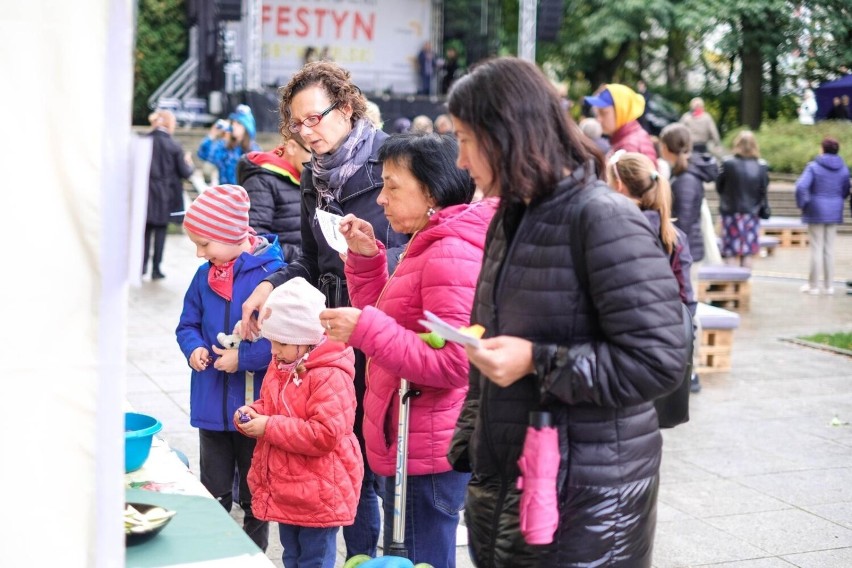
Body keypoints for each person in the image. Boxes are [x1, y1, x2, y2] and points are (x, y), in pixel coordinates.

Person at [447, 57, 686, 567]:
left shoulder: (603, 218)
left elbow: (661, 361)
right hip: (514, 477)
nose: (460, 161)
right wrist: (471, 443)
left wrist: (539, 360)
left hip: (588, 498)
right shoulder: (510, 217)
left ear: (505, 134)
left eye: (465, 140)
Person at [239, 60, 409, 561]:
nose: (306, 131)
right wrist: (269, 285)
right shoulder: (315, 176)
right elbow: (310, 263)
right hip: (328, 335)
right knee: (329, 450)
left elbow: (419, 250)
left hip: (380, 331)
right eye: (297, 123)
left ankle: (363, 556)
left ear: (348, 108)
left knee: (363, 461)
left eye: (315, 118)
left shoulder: (391, 163)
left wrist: (369, 255)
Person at [320, 133, 496, 567]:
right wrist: (365, 261)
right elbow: (393, 322)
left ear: (432, 191)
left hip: (428, 447)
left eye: (393, 186)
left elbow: (455, 362)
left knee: (423, 555)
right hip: (407, 436)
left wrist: (366, 329)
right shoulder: (426, 241)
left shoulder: (448, 252)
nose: (381, 199)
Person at [175, 184, 286, 552]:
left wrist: (245, 359)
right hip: (210, 407)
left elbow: (284, 341)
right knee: (214, 489)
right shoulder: (202, 277)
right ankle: (214, 552)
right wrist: (193, 349)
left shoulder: (270, 275)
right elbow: (187, 324)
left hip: (253, 409)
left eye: (204, 244)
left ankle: (253, 554)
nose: (198, 252)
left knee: (256, 494)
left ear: (230, 235)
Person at [235, 277, 363, 568]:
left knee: (314, 559)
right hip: (289, 485)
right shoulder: (283, 363)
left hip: (320, 489)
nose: (273, 351)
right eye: (271, 342)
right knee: (291, 554)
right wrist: (254, 412)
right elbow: (272, 405)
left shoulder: (329, 374)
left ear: (304, 340)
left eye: (280, 343)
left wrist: (268, 426)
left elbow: (325, 434)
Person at [236, 133, 312, 263]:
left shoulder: (307, 177)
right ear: (292, 147)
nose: (320, 161)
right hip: (280, 274)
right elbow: (256, 240)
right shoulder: (261, 181)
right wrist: (306, 257)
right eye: (314, 153)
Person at [142, 109, 194, 280]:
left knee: (144, 232)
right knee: (160, 231)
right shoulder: (174, 145)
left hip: (145, 194)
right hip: (165, 195)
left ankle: (141, 268)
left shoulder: (144, 141)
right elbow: (185, 172)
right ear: (169, 124)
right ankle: (156, 269)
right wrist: (189, 163)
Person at [795, 136, 850, 294]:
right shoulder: (844, 168)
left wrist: (803, 203)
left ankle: (813, 286)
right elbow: (845, 189)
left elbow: (801, 187)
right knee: (829, 249)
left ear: (823, 149)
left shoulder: (813, 167)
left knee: (816, 248)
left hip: (816, 210)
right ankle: (829, 286)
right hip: (834, 211)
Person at [660, 123, 719, 268]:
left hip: (685, 252)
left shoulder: (686, 180)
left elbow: (682, 222)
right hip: (686, 249)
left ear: (667, 147)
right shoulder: (683, 174)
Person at [714, 129, 769, 269]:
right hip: (751, 214)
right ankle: (745, 283)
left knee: (731, 251)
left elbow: (719, 186)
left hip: (731, 213)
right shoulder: (761, 166)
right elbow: (763, 189)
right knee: (748, 252)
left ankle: (732, 284)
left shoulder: (728, 163)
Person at [584, 83, 658, 162]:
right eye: (597, 113)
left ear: (621, 111)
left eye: (604, 113)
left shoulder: (628, 148)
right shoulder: (628, 138)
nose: (598, 119)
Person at [198, 104, 261, 185]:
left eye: (239, 123)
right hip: (225, 194)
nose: (234, 126)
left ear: (247, 128)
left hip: (246, 195)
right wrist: (212, 135)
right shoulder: (223, 146)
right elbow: (203, 155)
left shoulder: (254, 150)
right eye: (233, 123)